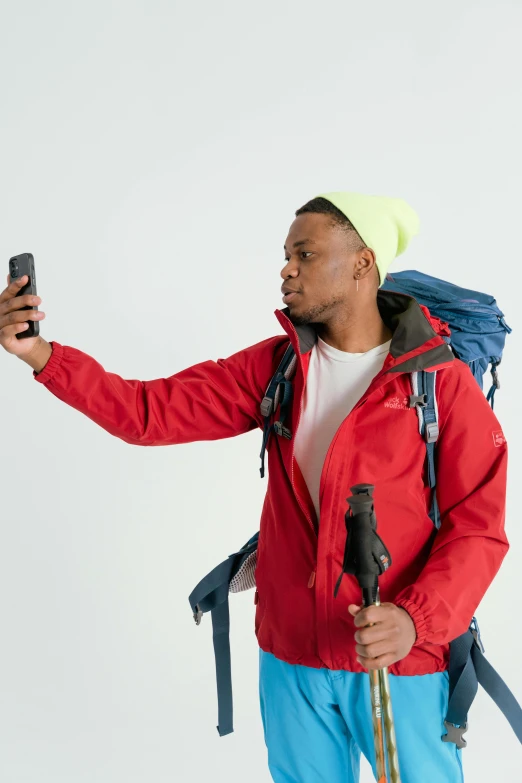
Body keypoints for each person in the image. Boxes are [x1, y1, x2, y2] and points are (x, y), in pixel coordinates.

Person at [0, 192, 508, 783]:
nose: (286, 269)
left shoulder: (437, 385)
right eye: (286, 255)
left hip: (398, 659)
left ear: (364, 263)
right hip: (290, 654)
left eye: (305, 253)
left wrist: (415, 620)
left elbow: (478, 530)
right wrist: (40, 354)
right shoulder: (277, 368)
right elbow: (147, 412)